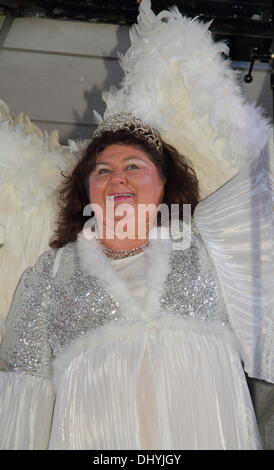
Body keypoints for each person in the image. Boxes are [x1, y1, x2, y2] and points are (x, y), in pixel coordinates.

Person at [0, 112, 268, 449]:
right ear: (87, 190)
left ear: (163, 182)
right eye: (102, 171)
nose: (118, 179)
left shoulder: (209, 245)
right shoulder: (50, 273)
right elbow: (22, 392)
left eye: (133, 166)